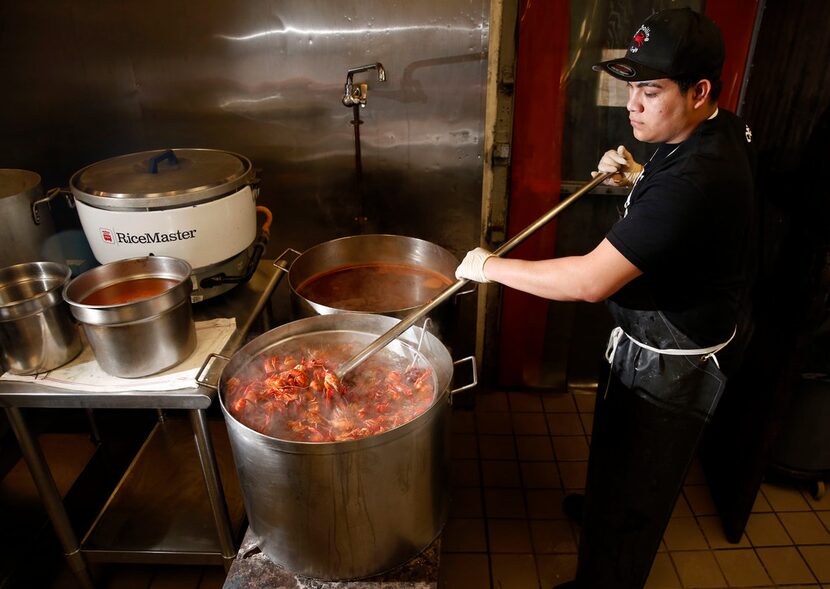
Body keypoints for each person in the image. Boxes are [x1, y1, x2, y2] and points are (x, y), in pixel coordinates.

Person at [455, 7, 756, 589]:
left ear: (699, 91)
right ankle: (604, 509)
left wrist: (491, 266)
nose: (632, 107)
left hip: (674, 361)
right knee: (619, 452)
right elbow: (687, 205)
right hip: (650, 335)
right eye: (631, 89)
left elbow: (589, 280)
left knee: (640, 490)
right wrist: (638, 175)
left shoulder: (695, 180)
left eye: (650, 92)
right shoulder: (718, 129)